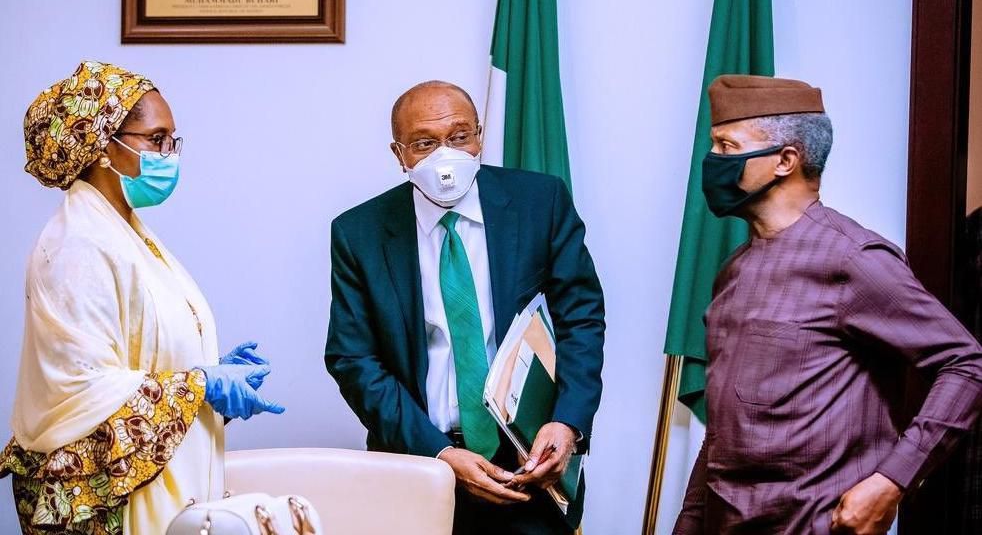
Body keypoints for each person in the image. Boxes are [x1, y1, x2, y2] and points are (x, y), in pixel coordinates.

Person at [673, 74, 982, 534]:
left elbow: (966, 364)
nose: (712, 160)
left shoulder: (853, 259)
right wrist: (690, 521)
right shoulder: (733, 271)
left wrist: (891, 480)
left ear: (785, 160)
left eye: (726, 145)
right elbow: (724, 427)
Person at [0, 60, 285, 535]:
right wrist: (199, 385)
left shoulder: (125, 232)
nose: (168, 154)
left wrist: (205, 371)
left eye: (173, 140)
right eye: (155, 140)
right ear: (101, 148)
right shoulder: (77, 244)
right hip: (103, 509)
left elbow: (138, 351)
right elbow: (80, 389)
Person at [324, 80, 605, 534]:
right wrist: (439, 454)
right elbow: (352, 358)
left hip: (528, 458)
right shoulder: (359, 233)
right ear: (399, 155)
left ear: (480, 137)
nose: (445, 155)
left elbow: (581, 317)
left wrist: (568, 421)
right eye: (424, 143)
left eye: (459, 137)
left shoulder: (540, 202)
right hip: (420, 465)